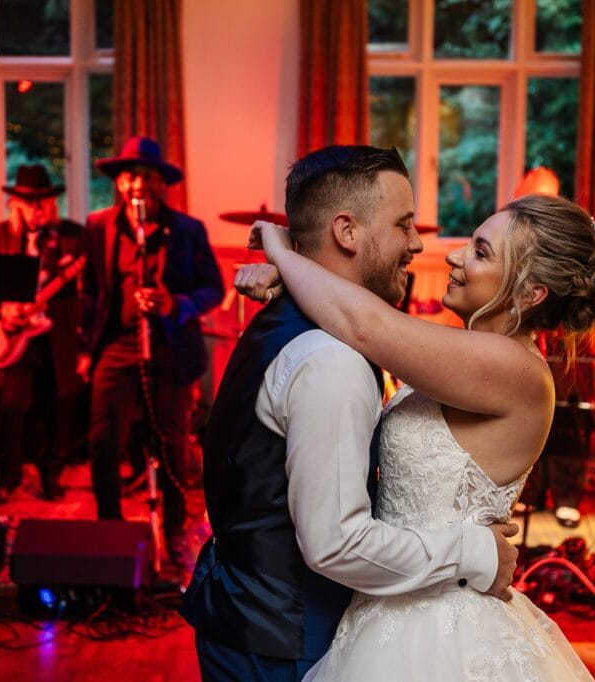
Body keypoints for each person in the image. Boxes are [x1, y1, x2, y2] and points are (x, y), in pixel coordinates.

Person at [241, 192, 595, 680]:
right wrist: (288, 280)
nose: (453, 257)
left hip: (440, 629)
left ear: (529, 293)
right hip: (388, 600)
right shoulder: (467, 349)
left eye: (479, 252)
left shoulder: (513, 368)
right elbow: (357, 316)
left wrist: (283, 254)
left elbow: (363, 324)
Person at [179, 145, 521, 681]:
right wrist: (472, 551)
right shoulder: (330, 358)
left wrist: (281, 260)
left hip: (249, 613)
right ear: (347, 231)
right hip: (285, 635)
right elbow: (337, 544)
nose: (418, 243)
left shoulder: (286, 320)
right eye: (403, 224)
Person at [77, 136, 224, 573]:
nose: (136, 183)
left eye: (145, 175)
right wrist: (87, 348)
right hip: (117, 346)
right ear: (119, 183)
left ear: (161, 184)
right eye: (128, 175)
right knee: (103, 440)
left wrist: (175, 305)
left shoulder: (187, 230)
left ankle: (176, 533)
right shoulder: (99, 226)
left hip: (171, 348)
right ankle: (109, 530)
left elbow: (213, 287)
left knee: (172, 444)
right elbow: (89, 291)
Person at [0, 164, 84, 506]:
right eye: (30, 202)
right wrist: (0, 309)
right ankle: (8, 476)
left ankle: (50, 475)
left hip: (56, 338)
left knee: (56, 407)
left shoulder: (71, 236)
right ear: (16, 204)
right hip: (14, 340)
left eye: (43, 202)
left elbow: (89, 287)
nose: (37, 210)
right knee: (11, 408)